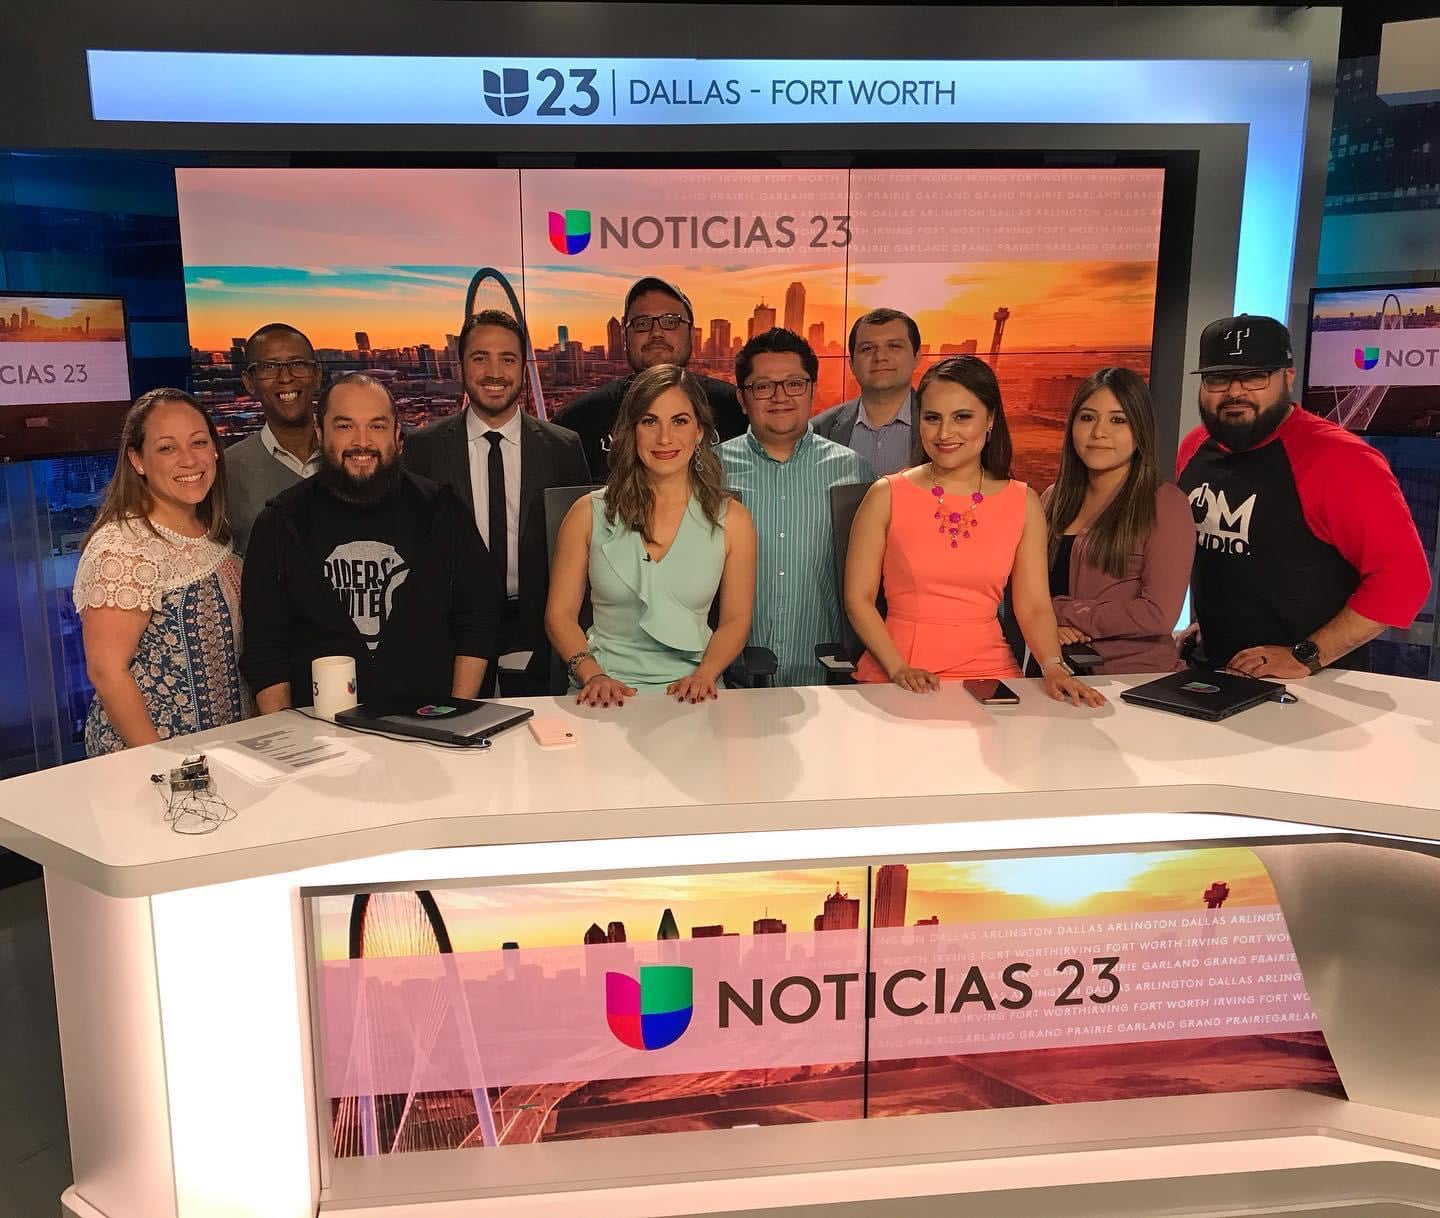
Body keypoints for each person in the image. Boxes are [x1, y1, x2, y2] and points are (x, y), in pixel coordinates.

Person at [1177, 314, 1430, 677]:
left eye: (1254, 376)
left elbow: (1403, 581)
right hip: (1214, 669)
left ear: (1288, 378)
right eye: (1219, 378)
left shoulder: (1341, 459)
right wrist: (1210, 627)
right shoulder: (1194, 446)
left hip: (1312, 682)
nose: (1235, 392)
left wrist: (1308, 655)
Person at [844, 356, 1105, 707]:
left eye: (962, 417)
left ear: (991, 419)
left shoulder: (1022, 501)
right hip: (896, 671)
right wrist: (898, 668)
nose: (944, 433)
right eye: (932, 418)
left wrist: (1053, 666)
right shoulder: (886, 495)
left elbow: (1033, 606)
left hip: (988, 674)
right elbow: (858, 600)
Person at [240, 373, 499, 712]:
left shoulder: (442, 510)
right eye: (345, 426)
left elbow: (478, 618)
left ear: (397, 436)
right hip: (319, 733)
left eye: (376, 426)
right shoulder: (280, 522)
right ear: (320, 434)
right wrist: (286, 737)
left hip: (429, 726)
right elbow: (266, 648)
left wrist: (456, 713)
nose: (362, 442)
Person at [402, 309, 590, 695]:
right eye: (479, 358)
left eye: (507, 359)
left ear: (524, 367)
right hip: (451, 634)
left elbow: (584, 547)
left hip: (542, 629)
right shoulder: (423, 448)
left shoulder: (563, 447)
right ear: (460, 366)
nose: (494, 372)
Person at [546, 365, 757, 707]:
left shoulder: (733, 520)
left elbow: (735, 621)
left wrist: (706, 674)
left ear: (700, 431)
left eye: (679, 421)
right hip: (603, 690)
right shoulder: (587, 513)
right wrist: (592, 674)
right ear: (631, 431)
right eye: (649, 421)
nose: (664, 438)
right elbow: (559, 616)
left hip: (696, 690)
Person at [74, 388, 247, 755]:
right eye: (167, 448)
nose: (189, 460)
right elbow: (107, 671)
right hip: (153, 765)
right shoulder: (122, 547)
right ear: (137, 460)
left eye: (199, 442)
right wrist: (161, 764)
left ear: (215, 449)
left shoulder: (213, 534)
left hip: (221, 753)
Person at [718, 328, 874, 685]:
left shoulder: (854, 469)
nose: (780, 396)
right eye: (763, 386)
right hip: (730, 680)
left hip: (828, 677)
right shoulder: (710, 470)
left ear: (812, 389)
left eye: (794, 383)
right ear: (743, 398)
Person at [1041, 367, 1193, 674]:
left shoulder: (1165, 504)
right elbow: (1026, 591)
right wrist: (1047, 628)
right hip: (1058, 672)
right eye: (1087, 418)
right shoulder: (1051, 499)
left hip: (1134, 680)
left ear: (1140, 431)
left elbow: (1158, 614)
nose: (1099, 432)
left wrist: (1060, 612)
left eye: (1118, 420)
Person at [553, 277, 746, 477]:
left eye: (671, 321)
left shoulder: (736, 410)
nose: (656, 333)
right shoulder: (578, 420)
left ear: (691, 333)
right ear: (625, 336)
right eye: (642, 323)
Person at [223, 323, 324, 555]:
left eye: (297, 364)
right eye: (269, 367)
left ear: (317, 376)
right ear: (249, 382)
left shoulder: (352, 456)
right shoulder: (225, 471)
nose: (285, 377)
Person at [812, 308, 921, 475]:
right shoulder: (819, 429)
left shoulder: (943, 426)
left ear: (916, 357)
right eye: (868, 348)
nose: (880, 357)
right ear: (852, 364)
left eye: (894, 346)